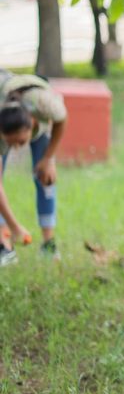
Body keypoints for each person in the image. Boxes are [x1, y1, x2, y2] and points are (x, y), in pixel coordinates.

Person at [0, 74, 67, 267]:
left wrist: (48, 159)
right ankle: (3, 245)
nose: (18, 148)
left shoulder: (44, 104)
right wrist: (15, 227)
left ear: (32, 121)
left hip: (39, 116)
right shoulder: (3, 130)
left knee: (46, 178)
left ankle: (48, 244)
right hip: (8, 113)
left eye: (20, 142)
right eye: (11, 144)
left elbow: (63, 119)